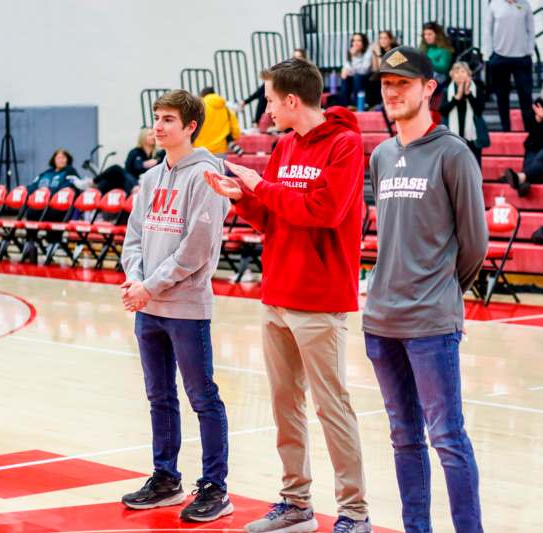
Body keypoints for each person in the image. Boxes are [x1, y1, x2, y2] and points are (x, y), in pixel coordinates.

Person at [203, 58, 372, 533]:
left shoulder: (346, 144)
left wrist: (263, 186)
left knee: (331, 406)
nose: (268, 110)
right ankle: (295, 502)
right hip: (277, 292)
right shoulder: (284, 146)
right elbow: (274, 217)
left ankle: (354, 513)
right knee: (284, 405)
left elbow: (322, 210)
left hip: (319, 297)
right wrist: (241, 196)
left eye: (272, 101)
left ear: (293, 100)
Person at [365, 45, 488, 533]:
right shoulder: (379, 154)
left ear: (429, 89)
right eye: (386, 86)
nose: (392, 93)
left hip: (431, 324)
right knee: (403, 438)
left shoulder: (453, 154)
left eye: (403, 85)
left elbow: (474, 244)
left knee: (447, 438)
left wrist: (440, 291)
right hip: (380, 321)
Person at [119, 89, 233, 523]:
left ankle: (216, 487)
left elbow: (196, 250)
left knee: (202, 396)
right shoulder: (149, 179)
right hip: (148, 305)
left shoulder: (205, 176)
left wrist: (148, 285)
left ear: (190, 127)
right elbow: (133, 237)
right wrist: (136, 279)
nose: (159, 126)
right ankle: (166, 478)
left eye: (169, 119)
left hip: (185, 307)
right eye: (157, 118)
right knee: (159, 396)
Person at [485, 0, 536, 132]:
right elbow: (487, 31)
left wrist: (529, 50)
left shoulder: (525, 5)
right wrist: (490, 54)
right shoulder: (494, 5)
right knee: (502, 96)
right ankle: (505, 129)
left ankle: (529, 130)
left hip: (522, 58)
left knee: (526, 96)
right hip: (499, 57)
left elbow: (531, 30)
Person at [240, 49, 309, 130]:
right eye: (294, 57)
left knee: (266, 93)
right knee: (266, 89)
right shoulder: (290, 70)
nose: (296, 59)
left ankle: (246, 106)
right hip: (286, 93)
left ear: (304, 59)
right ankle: (250, 112)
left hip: (296, 95)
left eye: (299, 57)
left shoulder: (307, 71)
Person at [440, 61, 487, 165]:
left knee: (474, 162)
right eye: (456, 72)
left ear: (469, 74)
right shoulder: (447, 91)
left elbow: (479, 110)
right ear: (452, 76)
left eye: (463, 71)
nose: (460, 74)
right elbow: (443, 111)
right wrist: (456, 97)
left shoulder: (477, 89)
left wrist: (468, 94)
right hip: (453, 133)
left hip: (472, 134)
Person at [194, 87, 242, 157]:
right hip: (220, 150)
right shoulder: (226, 109)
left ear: (202, 95)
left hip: (200, 149)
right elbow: (236, 131)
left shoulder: (199, 108)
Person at [420, 22, 453, 112]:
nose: (427, 37)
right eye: (425, 34)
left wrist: (427, 61)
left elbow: (443, 67)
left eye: (430, 34)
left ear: (437, 35)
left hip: (439, 78)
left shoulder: (445, 49)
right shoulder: (424, 48)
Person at [340, 32, 373, 108]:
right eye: (354, 40)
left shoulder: (368, 51)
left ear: (363, 42)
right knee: (345, 77)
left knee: (357, 76)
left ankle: (357, 104)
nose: (356, 43)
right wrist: (344, 70)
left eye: (359, 40)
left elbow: (364, 70)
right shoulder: (351, 51)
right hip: (356, 76)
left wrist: (354, 57)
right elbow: (347, 66)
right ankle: (344, 105)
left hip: (367, 77)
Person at [368, 30, 400, 108]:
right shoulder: (380, 50)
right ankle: (372, 105)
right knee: (370, 78)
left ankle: (381, 104)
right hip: (384, 74)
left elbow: (384, 68)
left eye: (385, 38)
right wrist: (374, 53)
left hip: (396, 74)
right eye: (380, 38)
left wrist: (378, 54)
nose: (382, 41)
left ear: (391, 40)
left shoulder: (397, 50)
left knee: (380, 79)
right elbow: (375, 68)